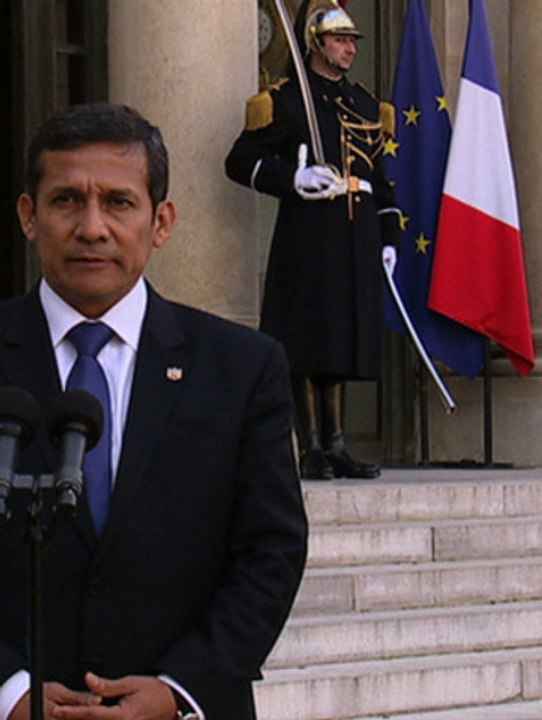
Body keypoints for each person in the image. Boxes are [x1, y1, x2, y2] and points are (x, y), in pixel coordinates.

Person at [0, 102, 308, 719]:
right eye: (66, 201)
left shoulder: (241, 367)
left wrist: (180, 689)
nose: (92, 227)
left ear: (161, 221)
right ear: (29, 217)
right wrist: (10, 691)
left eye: (118, 202)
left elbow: (271, 551)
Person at [225, 0, 400, 480]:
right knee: (306, 338)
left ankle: (337, 442)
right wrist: (292, 179)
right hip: (309, 233)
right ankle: (311, 447)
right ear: (316, 44)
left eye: (352, 42)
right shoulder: (284, 100)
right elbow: (239, 161)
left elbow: (381, 179)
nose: (349, 49)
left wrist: (389, 235)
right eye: (341, 40)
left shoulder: (366, 104)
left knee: (341, 339)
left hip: (355, 235)